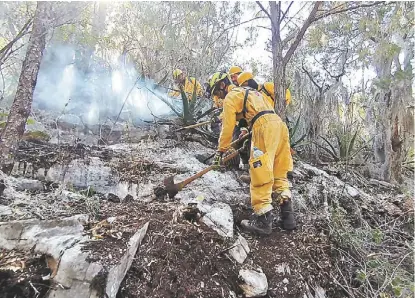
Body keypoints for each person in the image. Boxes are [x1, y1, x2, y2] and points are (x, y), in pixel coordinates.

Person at [208, 71, 296, 234]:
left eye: (217, 92)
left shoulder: (231, 96)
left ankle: (263, 222)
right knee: (279, 172)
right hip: (279, 126)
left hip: (263, 127)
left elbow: (227, 128)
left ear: (222, 85)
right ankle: (288, 217)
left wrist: (220, 151)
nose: (218, 97)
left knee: (260, 171)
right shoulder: (253, 92)